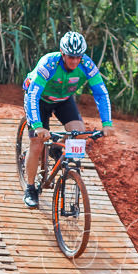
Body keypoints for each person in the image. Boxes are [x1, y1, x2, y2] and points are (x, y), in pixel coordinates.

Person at [21, 31, 116, 208]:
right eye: (71, 57)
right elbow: (33, 95)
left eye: (78, 57)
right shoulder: (49, 63)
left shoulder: (87, 64)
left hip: (63, 99)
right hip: (39, 99)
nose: (74, 61)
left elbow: (101, 93)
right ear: (62, 53)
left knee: (79, 134)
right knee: (36, 142)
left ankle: (58, 148)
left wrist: (107, 123)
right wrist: (38, 126)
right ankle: (31, 187)